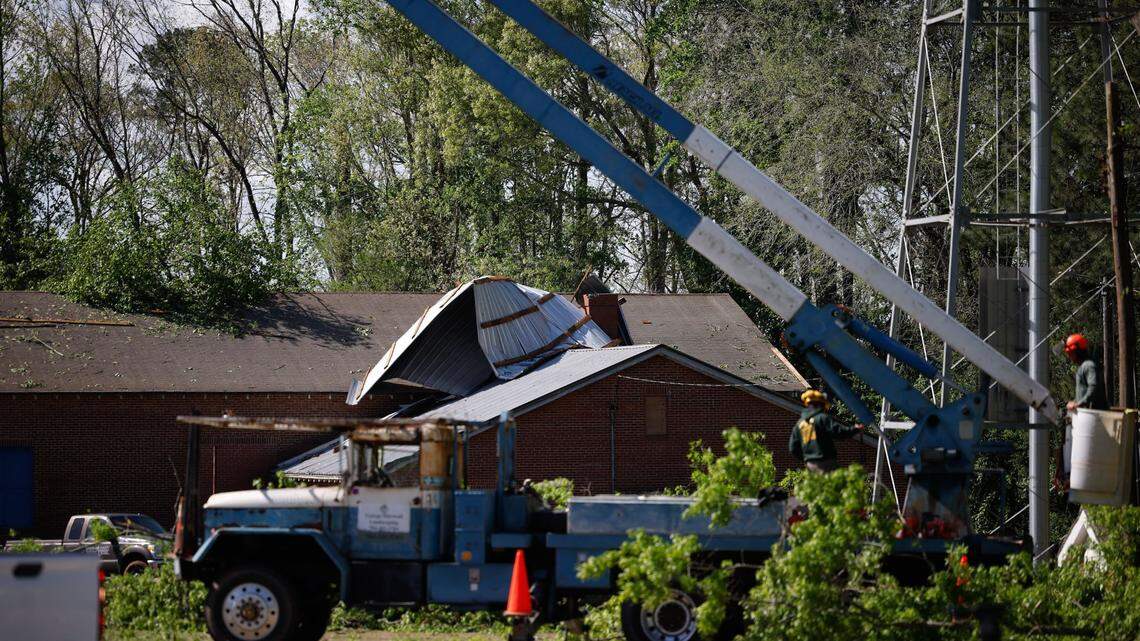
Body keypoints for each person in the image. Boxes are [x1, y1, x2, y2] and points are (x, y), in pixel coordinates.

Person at [1053, 333, 1109, 491]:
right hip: (1087, 420)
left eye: (1070, 353)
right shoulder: (1084, 367)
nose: (1069, 356)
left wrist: (1079, 403)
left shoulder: (1088, 366)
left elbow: (1094, 387)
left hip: (1094, 420)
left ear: (1076, 351)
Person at [788, 389, 861, 473]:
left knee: (816, 485)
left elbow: (793, 448)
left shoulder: (799, 424)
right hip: (826, 462)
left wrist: (807, 458)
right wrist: (855, 429)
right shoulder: (822, 418)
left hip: (810, 465)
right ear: (820, 404)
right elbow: (838, 432)